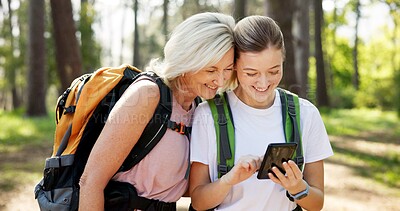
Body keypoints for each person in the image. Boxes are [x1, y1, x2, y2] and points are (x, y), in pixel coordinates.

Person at [79, 12, 235, 211]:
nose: (220, 81)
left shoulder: (198, 108)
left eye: (228, 69)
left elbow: (179, 185)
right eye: (211, 70)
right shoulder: (147, 94)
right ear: (188, 60)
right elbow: (90, 181)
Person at [189, 15, 333, 211]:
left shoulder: (306, 114)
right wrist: (228, 180)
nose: (263, 83)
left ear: (283, 59)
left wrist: (298, 187)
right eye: (251, 73)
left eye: (274, 71)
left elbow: (317, 203)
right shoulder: (207, 115)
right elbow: (198, 201)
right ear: (234, 66)